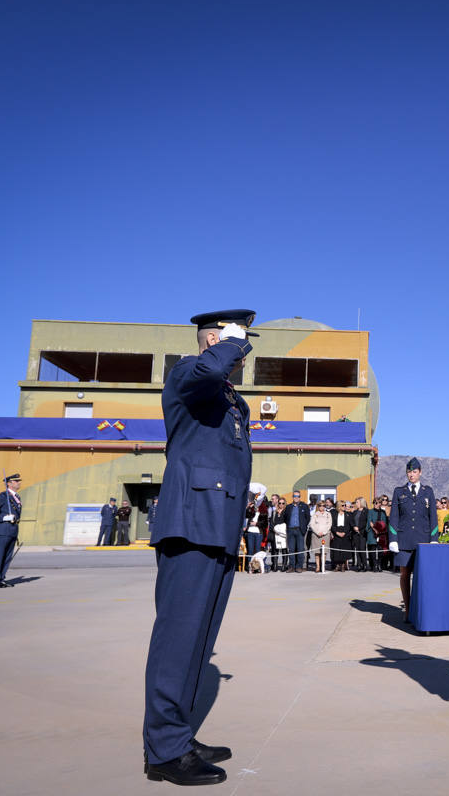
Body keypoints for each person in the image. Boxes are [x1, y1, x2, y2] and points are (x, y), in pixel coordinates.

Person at [142, 309, 257, 786]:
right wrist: (227, 344)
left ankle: (177, 733)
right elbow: (211, 368)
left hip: (218, 523)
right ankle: (164, 751)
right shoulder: (190, 371)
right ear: (214, 337)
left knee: (199, 640)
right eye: (238, 340)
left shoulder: (228, 396)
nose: (244, 352)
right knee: (178, 638)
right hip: (190, 521)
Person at [388, 458, 437, 615]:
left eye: (414, 471)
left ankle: (421, 608)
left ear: (420, 472)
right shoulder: (399, 491)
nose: (411, 475)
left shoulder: (427, 491)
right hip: (404, 540)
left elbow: (433, 517)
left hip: (423, 540)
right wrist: (393, 539)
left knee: (422, 576)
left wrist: (434, 538)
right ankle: (408, 610)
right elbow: (394, 517)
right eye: (409, 472)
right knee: (404, 574)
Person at [0, 474, 23, 587]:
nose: (19, 482)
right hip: (3, 529)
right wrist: (2, 518)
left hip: (13, 529)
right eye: (16, 481)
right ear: (9, 483)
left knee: (7, 556)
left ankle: (1, 578)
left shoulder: (17, 497)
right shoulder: (3, 496)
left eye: (19, 481)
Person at [284, 489, 310, 572]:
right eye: (294, 496)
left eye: (297, 496)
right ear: (292, 497)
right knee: (291, 549)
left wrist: (304, 527)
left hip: (300, 530)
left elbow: (307, 518)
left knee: (300, 549)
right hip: (290, 530)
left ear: (300, 497)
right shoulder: (288, 507)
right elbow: (285, 518)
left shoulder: (304, 506)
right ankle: (291, 566)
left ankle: (299, 566)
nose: (296, 498)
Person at [308, 499, 331, 572]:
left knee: (324, 552)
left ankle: (323, 566)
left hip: (325, 535)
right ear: (318, 506)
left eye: (324, 505)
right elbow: (312, 524)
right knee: (317, 552)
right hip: (316, 535)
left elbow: (329, 524)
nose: (322, 507)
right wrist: (317, 532)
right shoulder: (315, 514)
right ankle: (317, 566)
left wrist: (324, 532)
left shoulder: (328, 514)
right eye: (320, 505)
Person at [366, 496, 388, 571]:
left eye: (378, 503)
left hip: (381, 533)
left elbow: (384, 522)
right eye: (375, 502)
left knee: (380, 550)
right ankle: (374, 565)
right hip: (372, 532)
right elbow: (370, 521)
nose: (376, 504)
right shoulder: (370, 511)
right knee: (372, 550)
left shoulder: (383, 512)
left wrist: (381, 530)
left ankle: (379, 564)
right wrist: (375, 529)